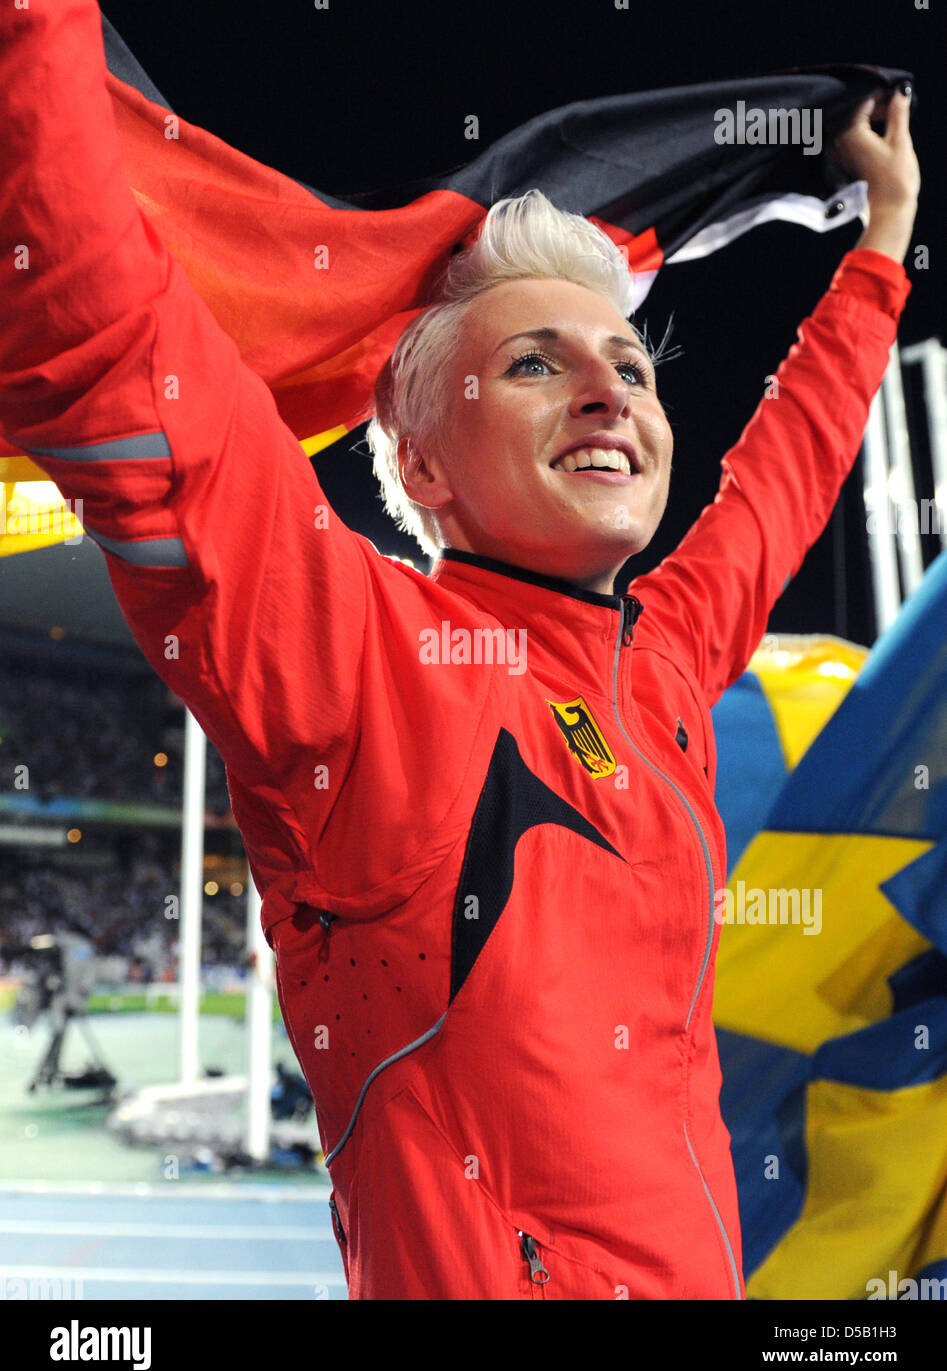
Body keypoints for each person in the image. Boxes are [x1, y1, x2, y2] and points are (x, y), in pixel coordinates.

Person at [0, 2, 919, 1299]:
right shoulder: (367, 659)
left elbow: (785, 477)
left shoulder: (654, 667)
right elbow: (108, 341)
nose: (610, 393)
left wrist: (882, 240)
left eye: (632, 367)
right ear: (422, 465)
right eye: (536, 365)